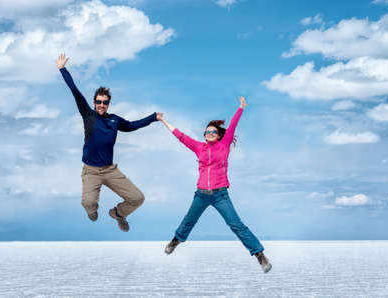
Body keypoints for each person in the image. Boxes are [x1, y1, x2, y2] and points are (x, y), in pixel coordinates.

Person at [159, 96, 271, 273]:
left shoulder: (224, 146)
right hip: (201, 194)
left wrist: (240, 108)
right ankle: (176, 241)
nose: (210, 134)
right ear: (204, 136)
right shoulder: (198, 147)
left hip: (220, 195)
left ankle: (260, 255)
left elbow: (233, 124)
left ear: (218, 135)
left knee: (236, 225)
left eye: (213, 132)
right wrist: (163, 120)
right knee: (189, 221)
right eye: (207, 132)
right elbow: (180, 136)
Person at [56, 53, 162, 232]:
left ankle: (118, 214)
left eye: (105, 102)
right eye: (98, 102)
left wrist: (153, 118)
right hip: (91, 171)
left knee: (138, 198)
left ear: (109, 103)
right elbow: (75, 91)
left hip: (110, 170)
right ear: (94, 102)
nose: (101, 105)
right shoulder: (88, 115)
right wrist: (62, 69)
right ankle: (92, 210)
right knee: (89, 204)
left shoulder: (114, 120)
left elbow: (132, 125)